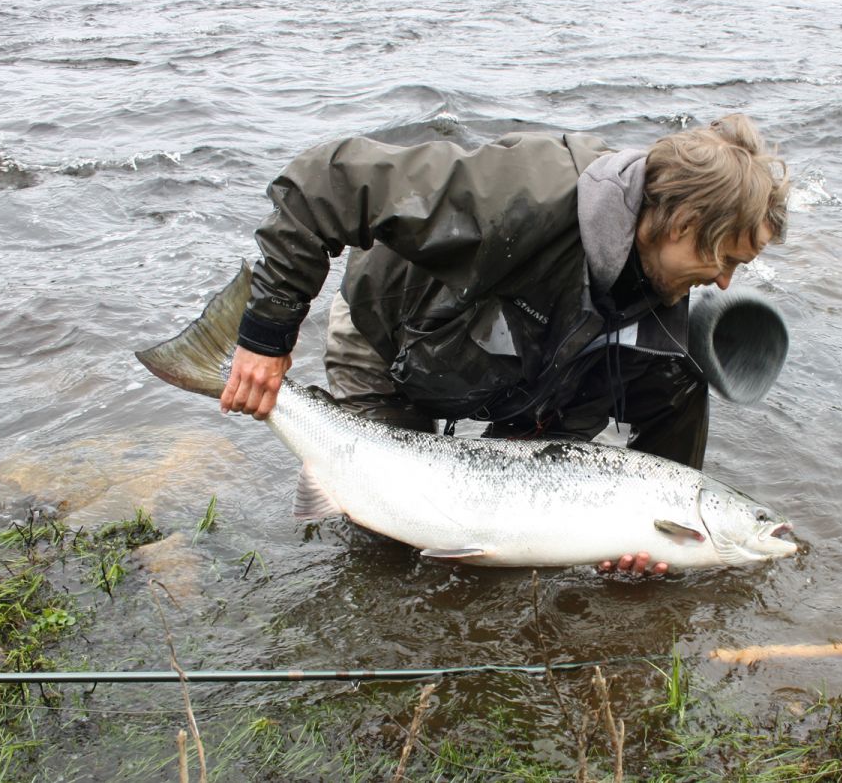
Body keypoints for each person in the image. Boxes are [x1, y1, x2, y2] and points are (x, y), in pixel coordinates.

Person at [219, 115, 789, 574]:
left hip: (512, 364)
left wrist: (644, 555)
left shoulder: (660, 305)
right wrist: (265, 338)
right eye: (727, 259)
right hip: (393, 334)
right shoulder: (521, 190)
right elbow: (323, 181)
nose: (723, 284)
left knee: (503, 558)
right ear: (683, 222)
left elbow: (638, 462)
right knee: (387, 542)